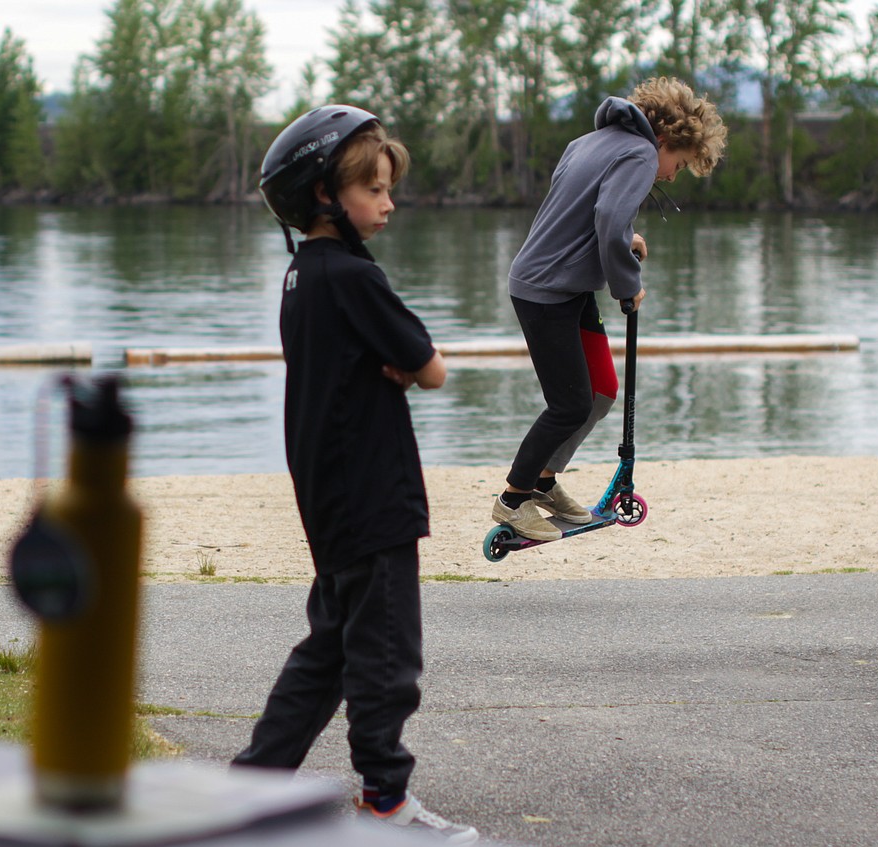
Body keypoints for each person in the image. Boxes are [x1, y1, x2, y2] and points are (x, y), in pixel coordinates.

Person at [232, 104, 478, 845]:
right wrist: (407, 368)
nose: (390, 203)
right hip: (376, 495)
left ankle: (251, 784)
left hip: (327, 496)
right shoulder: (354, 276)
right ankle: (385, 798)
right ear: (325, 196)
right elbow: (431, 366)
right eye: (374, 189)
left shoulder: (300, 276)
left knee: (331, 649)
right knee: (388, 652)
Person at [491, 77, 727, 540]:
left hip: (562, 285)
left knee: (600, 389)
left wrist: (626, 238)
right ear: (665, 141)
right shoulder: (640, 153)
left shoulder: (589, 142)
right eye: (677, 164)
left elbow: (585, 212)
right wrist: (627, 284)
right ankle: (513, 499)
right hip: (546, 290)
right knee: (569, 405)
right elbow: (606, 217)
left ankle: (543, 481)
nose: (671, 175)